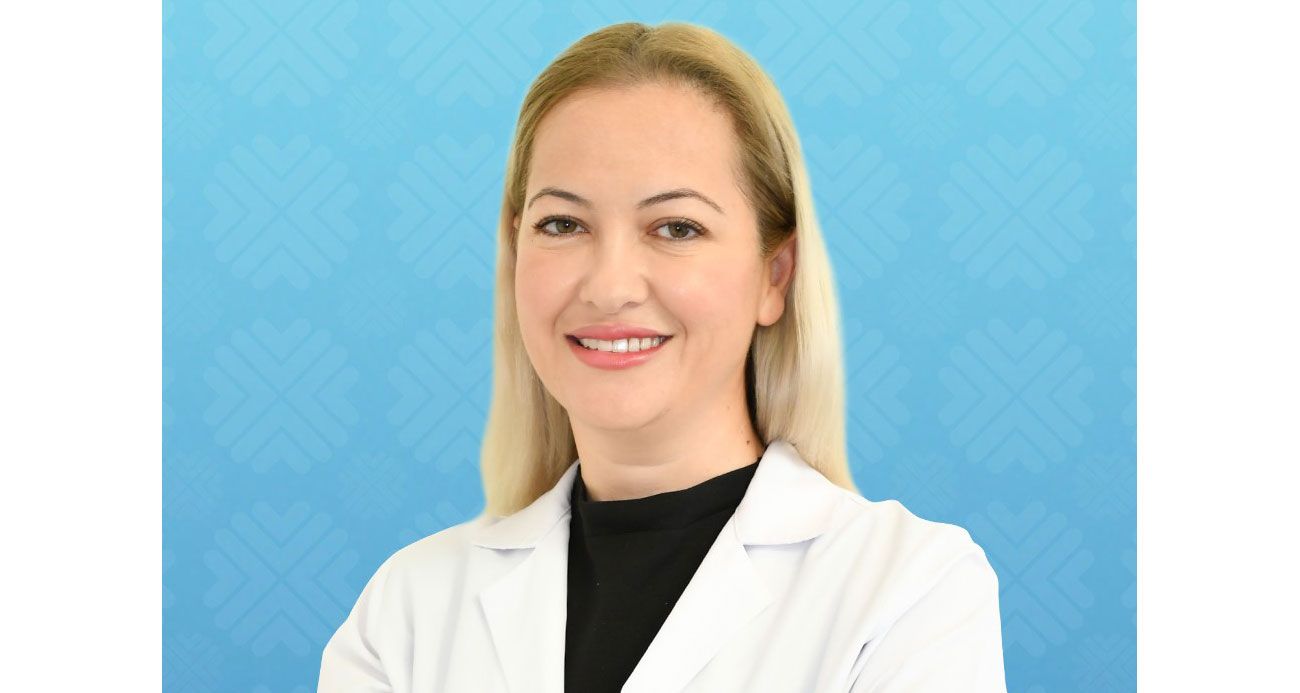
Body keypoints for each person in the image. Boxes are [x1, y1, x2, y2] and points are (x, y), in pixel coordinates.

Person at [319, 21, 1006, 693]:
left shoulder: (909, 594)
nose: (610, 286)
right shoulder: (406, 614)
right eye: (563, 223)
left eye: (676, 227)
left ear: (775, 275)